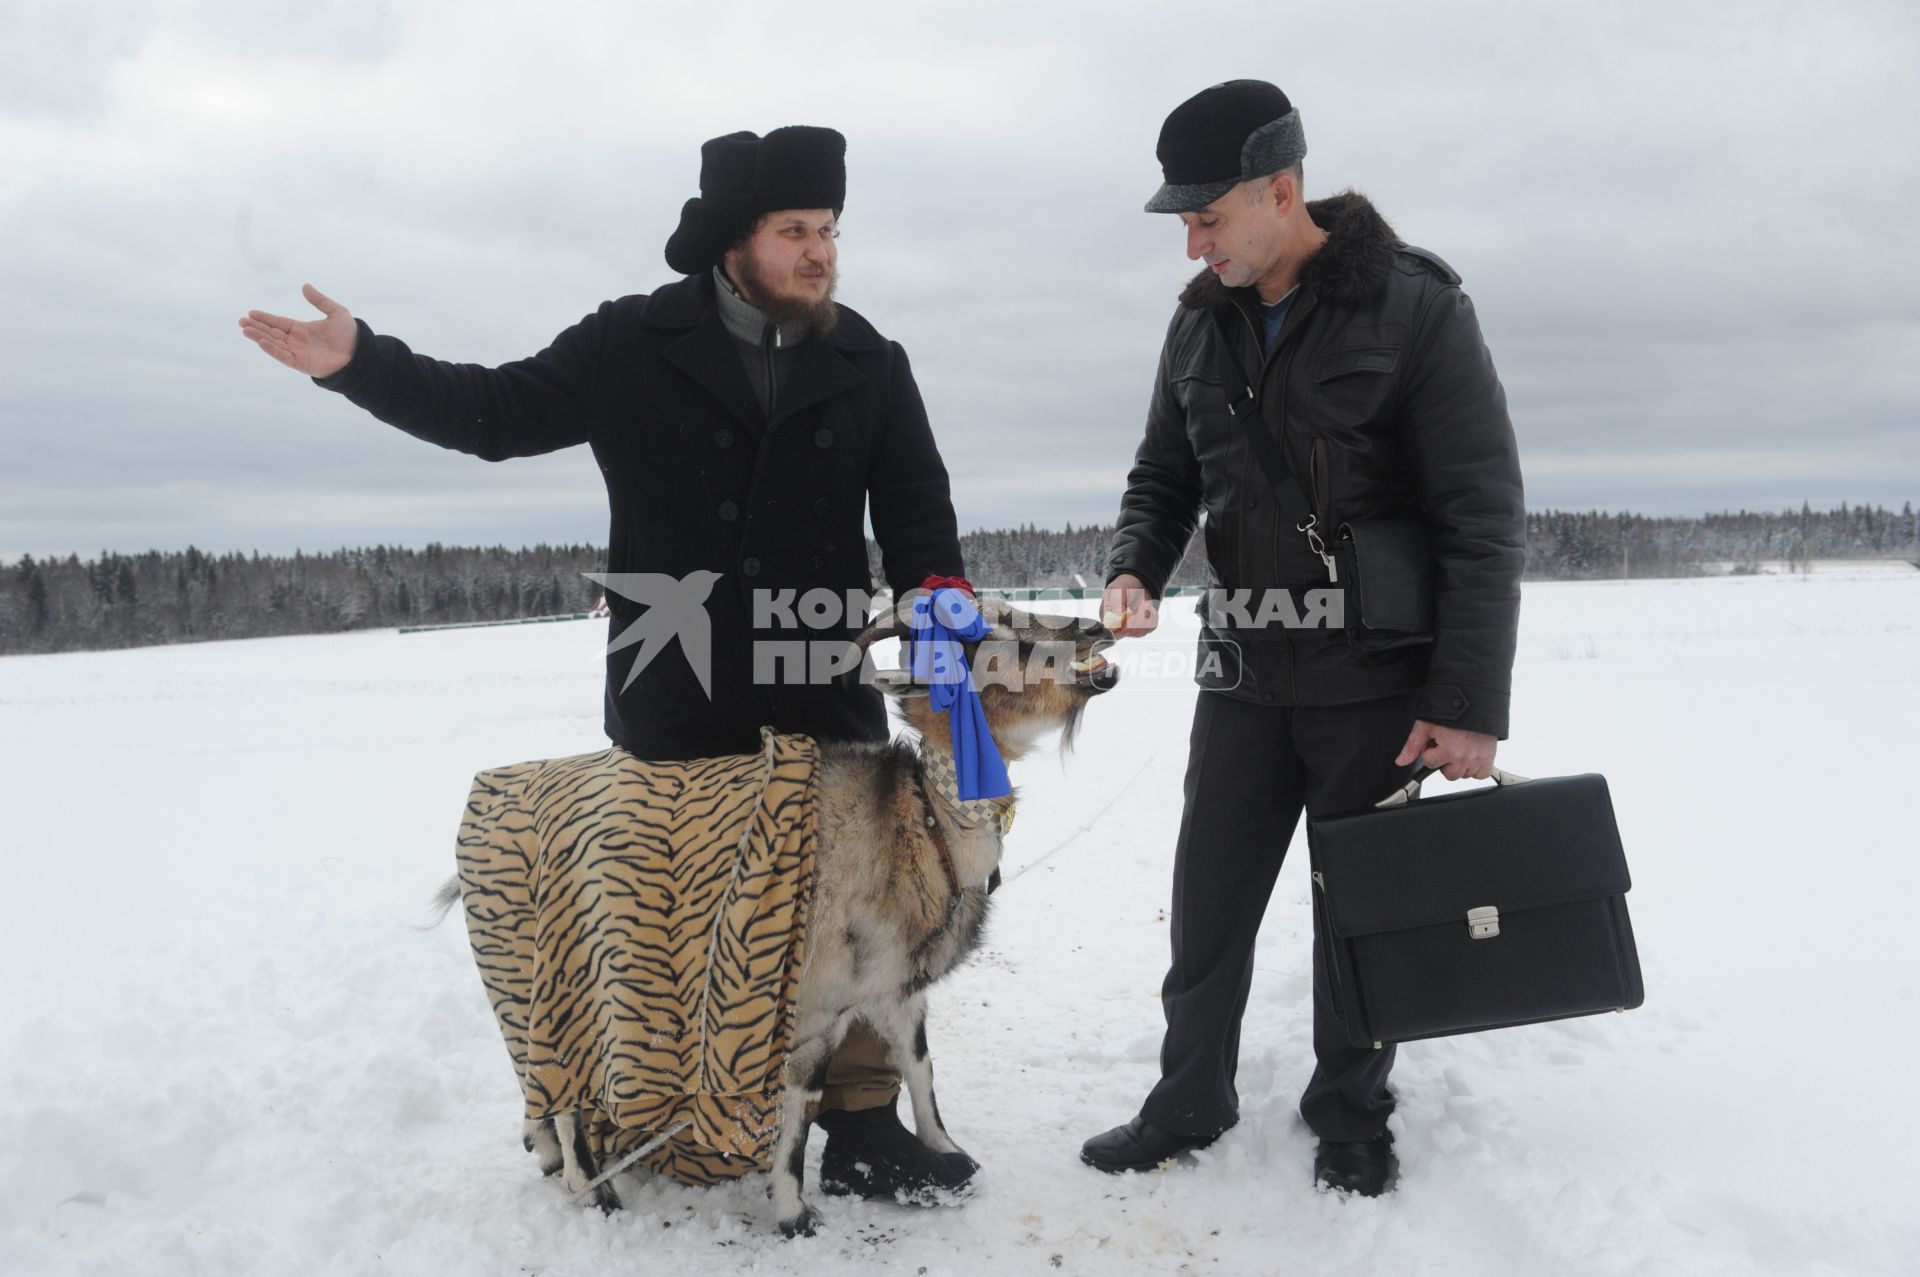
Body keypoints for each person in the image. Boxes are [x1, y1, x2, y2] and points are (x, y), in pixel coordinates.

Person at [238, 125, 978, 1204]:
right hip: (678, 691)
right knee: (681, 914)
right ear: (735, 241)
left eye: (829, 230)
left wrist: (944, 624)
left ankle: (863, 1119)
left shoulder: (870, 357)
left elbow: (920, 519)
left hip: (824, 686)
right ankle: (675, 1108)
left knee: (868, 905)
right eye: (795, 232)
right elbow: (491, 412)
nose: (821, 253)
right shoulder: (630, 342)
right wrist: (362, 363)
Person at [1081, 80, 1525, 1196]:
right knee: (1208, 899)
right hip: (1242, 661)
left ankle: (1351, 1112)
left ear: (1282, 190)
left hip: (1374, 675)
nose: (1193, 241)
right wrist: (1136, 561)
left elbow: (1481, 513)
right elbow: (1163, 473)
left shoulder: (1418, 307)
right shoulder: (1198, 318)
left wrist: (1466, 699)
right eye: (1182, 221)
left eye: (1208, 216)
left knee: (1361, 911)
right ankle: (1189, 1096)